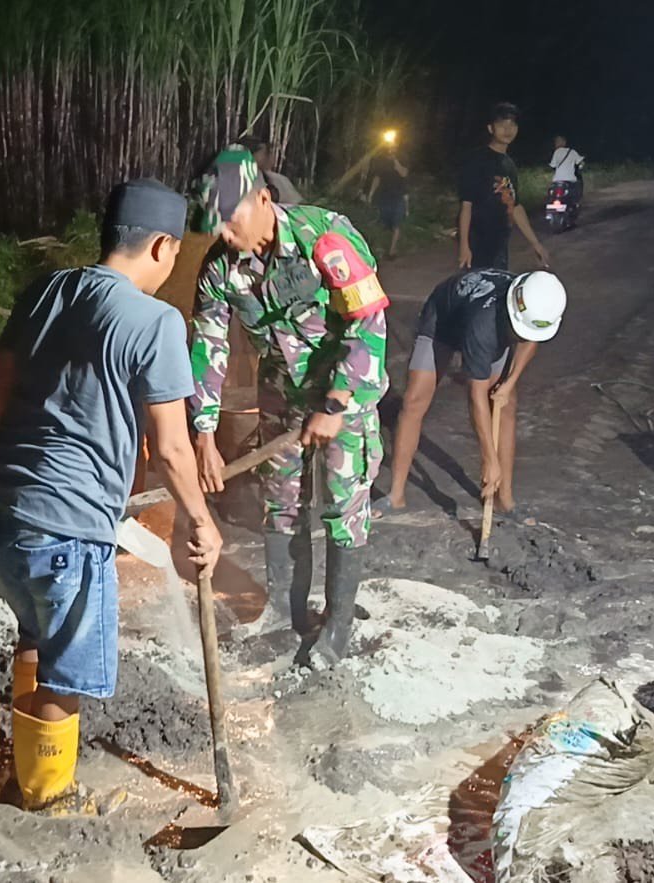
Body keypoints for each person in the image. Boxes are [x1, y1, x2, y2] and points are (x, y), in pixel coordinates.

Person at [0, 179, 220, 812]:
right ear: (163, 246)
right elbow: (173, 448)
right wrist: (201, 519)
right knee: (67, 672)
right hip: (69, 524)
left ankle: (25, 766)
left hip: (4, 507)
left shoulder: (48, 290)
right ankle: (46, 796)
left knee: (35, 632)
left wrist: (11, 465)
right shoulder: (156, 321)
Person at [190, 144, 388, 664]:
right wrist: (203, 433)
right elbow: (208, 346)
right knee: (281, 503)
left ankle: (337, 627)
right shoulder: (220, 269)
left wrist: (336, 402)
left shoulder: (324, 237)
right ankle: (284, 610)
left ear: (262, 198)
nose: (224, 235)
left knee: (344, 505)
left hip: (345, 391)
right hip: (282, 394)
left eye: (230, 221)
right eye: (215, 226)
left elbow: (368, 323)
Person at [379, 269, 567, 517]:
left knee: (505, 403)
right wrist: (489, 460)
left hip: (491, 324)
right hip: (443, 322)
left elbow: (530, 340)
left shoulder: (534, 305)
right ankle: (396, 496)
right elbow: (475, 395)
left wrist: (510, 382)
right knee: (414, 402)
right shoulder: (484, 324)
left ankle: (504, 500)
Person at [457, 102, 551, 271]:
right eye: (502, 125)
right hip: (478, 243)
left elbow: (515, 207)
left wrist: (535, 243)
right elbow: (466, 205)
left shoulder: (509, 165)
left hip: (500, 244)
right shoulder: (477, 160)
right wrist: (464, 246)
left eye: (512, 125)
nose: (508, 130)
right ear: (490, 128)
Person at [365, 140, 411, 258]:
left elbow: (404, 173)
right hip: (385, 196)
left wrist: (395, 160)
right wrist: (371, 194)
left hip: (399, 196)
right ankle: (379, 249)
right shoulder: (382, 160)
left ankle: (392, 251)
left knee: (396, 224)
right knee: (384, 223)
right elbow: (377, 178)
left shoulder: (403, 157)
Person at [548, 135, 585, 205]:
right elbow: (581, 162)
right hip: (570, 179)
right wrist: (580, 167)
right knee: (577, 189)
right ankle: (575, 203)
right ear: (564, 143)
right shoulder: (572, 152)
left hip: (557, 180)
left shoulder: (556, 152)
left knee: (552, 193)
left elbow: (553, 165)